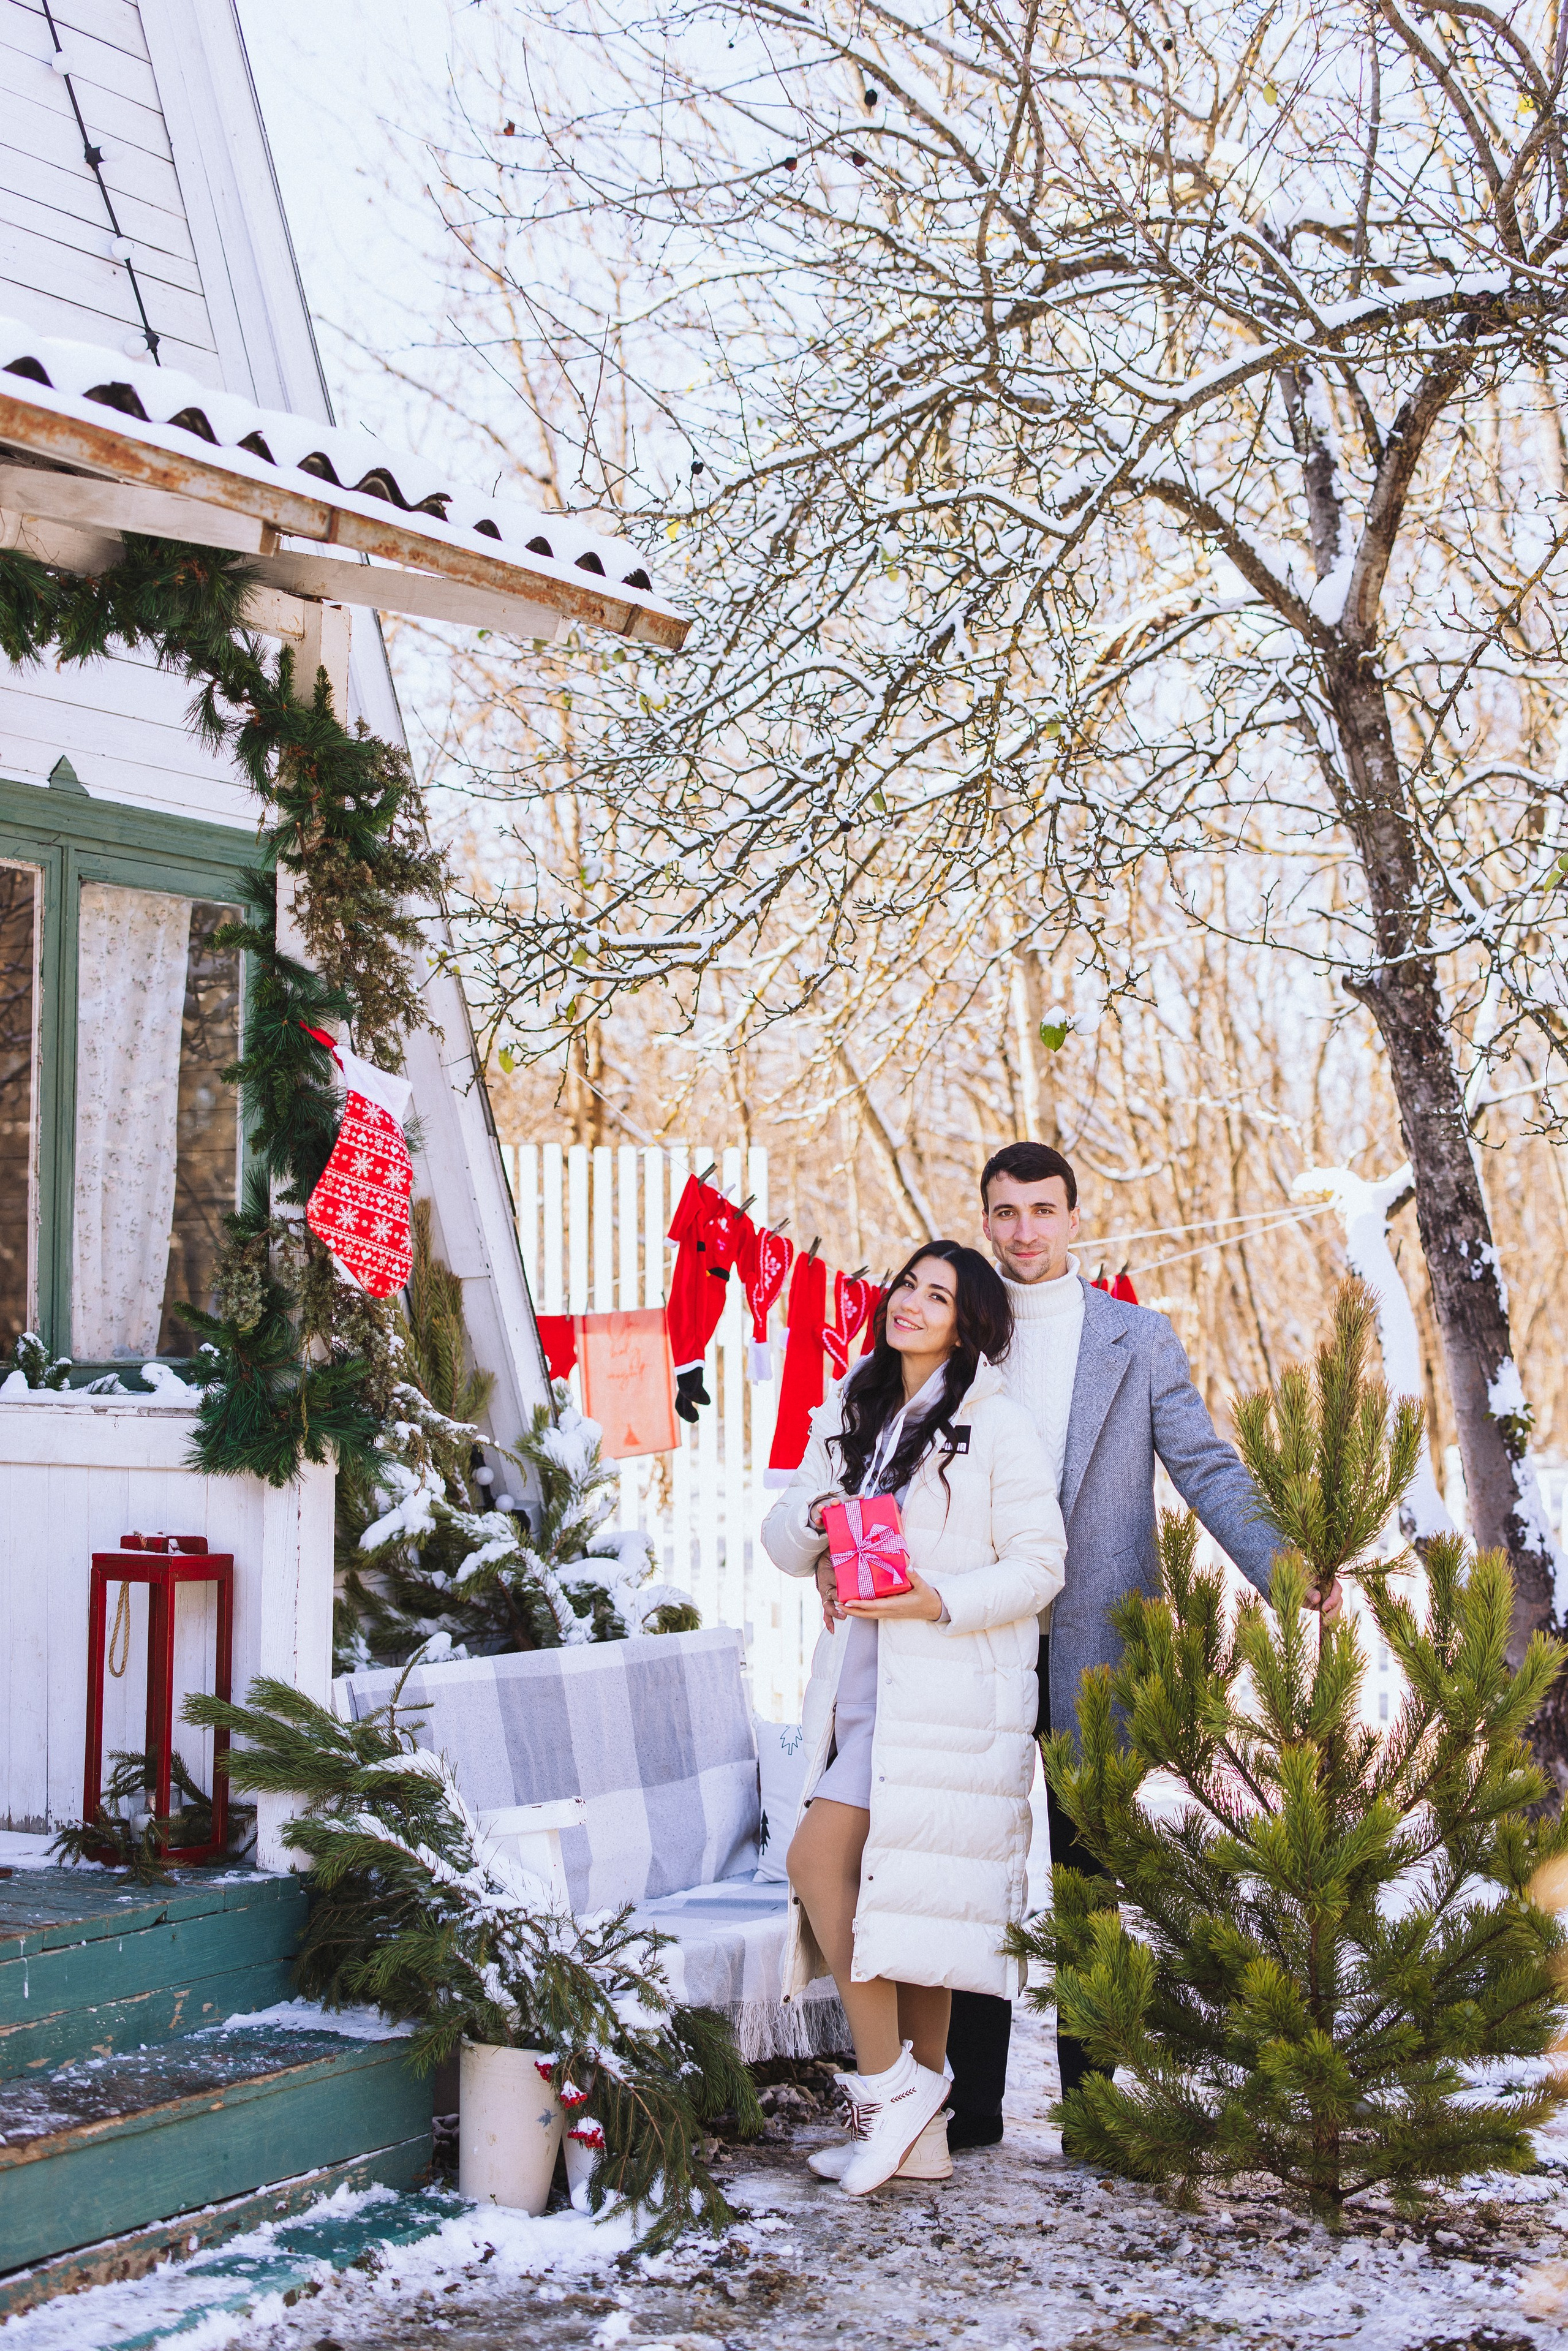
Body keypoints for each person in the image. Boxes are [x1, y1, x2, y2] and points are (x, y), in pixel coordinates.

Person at [944, 1140, 1335, 2149]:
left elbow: (1205, 1464)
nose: (1023, 1230)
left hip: (1098, 1638)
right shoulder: (960, 1330)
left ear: (1075, 1217)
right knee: (977, 1869)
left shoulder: (1137, 1337)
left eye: (1042, 1209)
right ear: (984, 1220)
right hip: (974, 1643)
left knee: (1087, 1873)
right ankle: (975, 2105)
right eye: (1005, 1211)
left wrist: (1282, 1564)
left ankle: (1094, 2107)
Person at [762, 1240, 1066, 2196]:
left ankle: (886, 2088)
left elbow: (1039, 1567)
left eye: (939, 1295)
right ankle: (922, 2131)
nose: (913, 1303)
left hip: (942, 1701)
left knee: (819, 1859)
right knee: (914, 1908)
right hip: (856, 1687)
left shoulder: (997, 1425)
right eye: (908, 1285)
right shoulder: (856, 1401)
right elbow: (781, 1536)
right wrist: (819, 1521)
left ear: (969, 1322)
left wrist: (937, 1599)